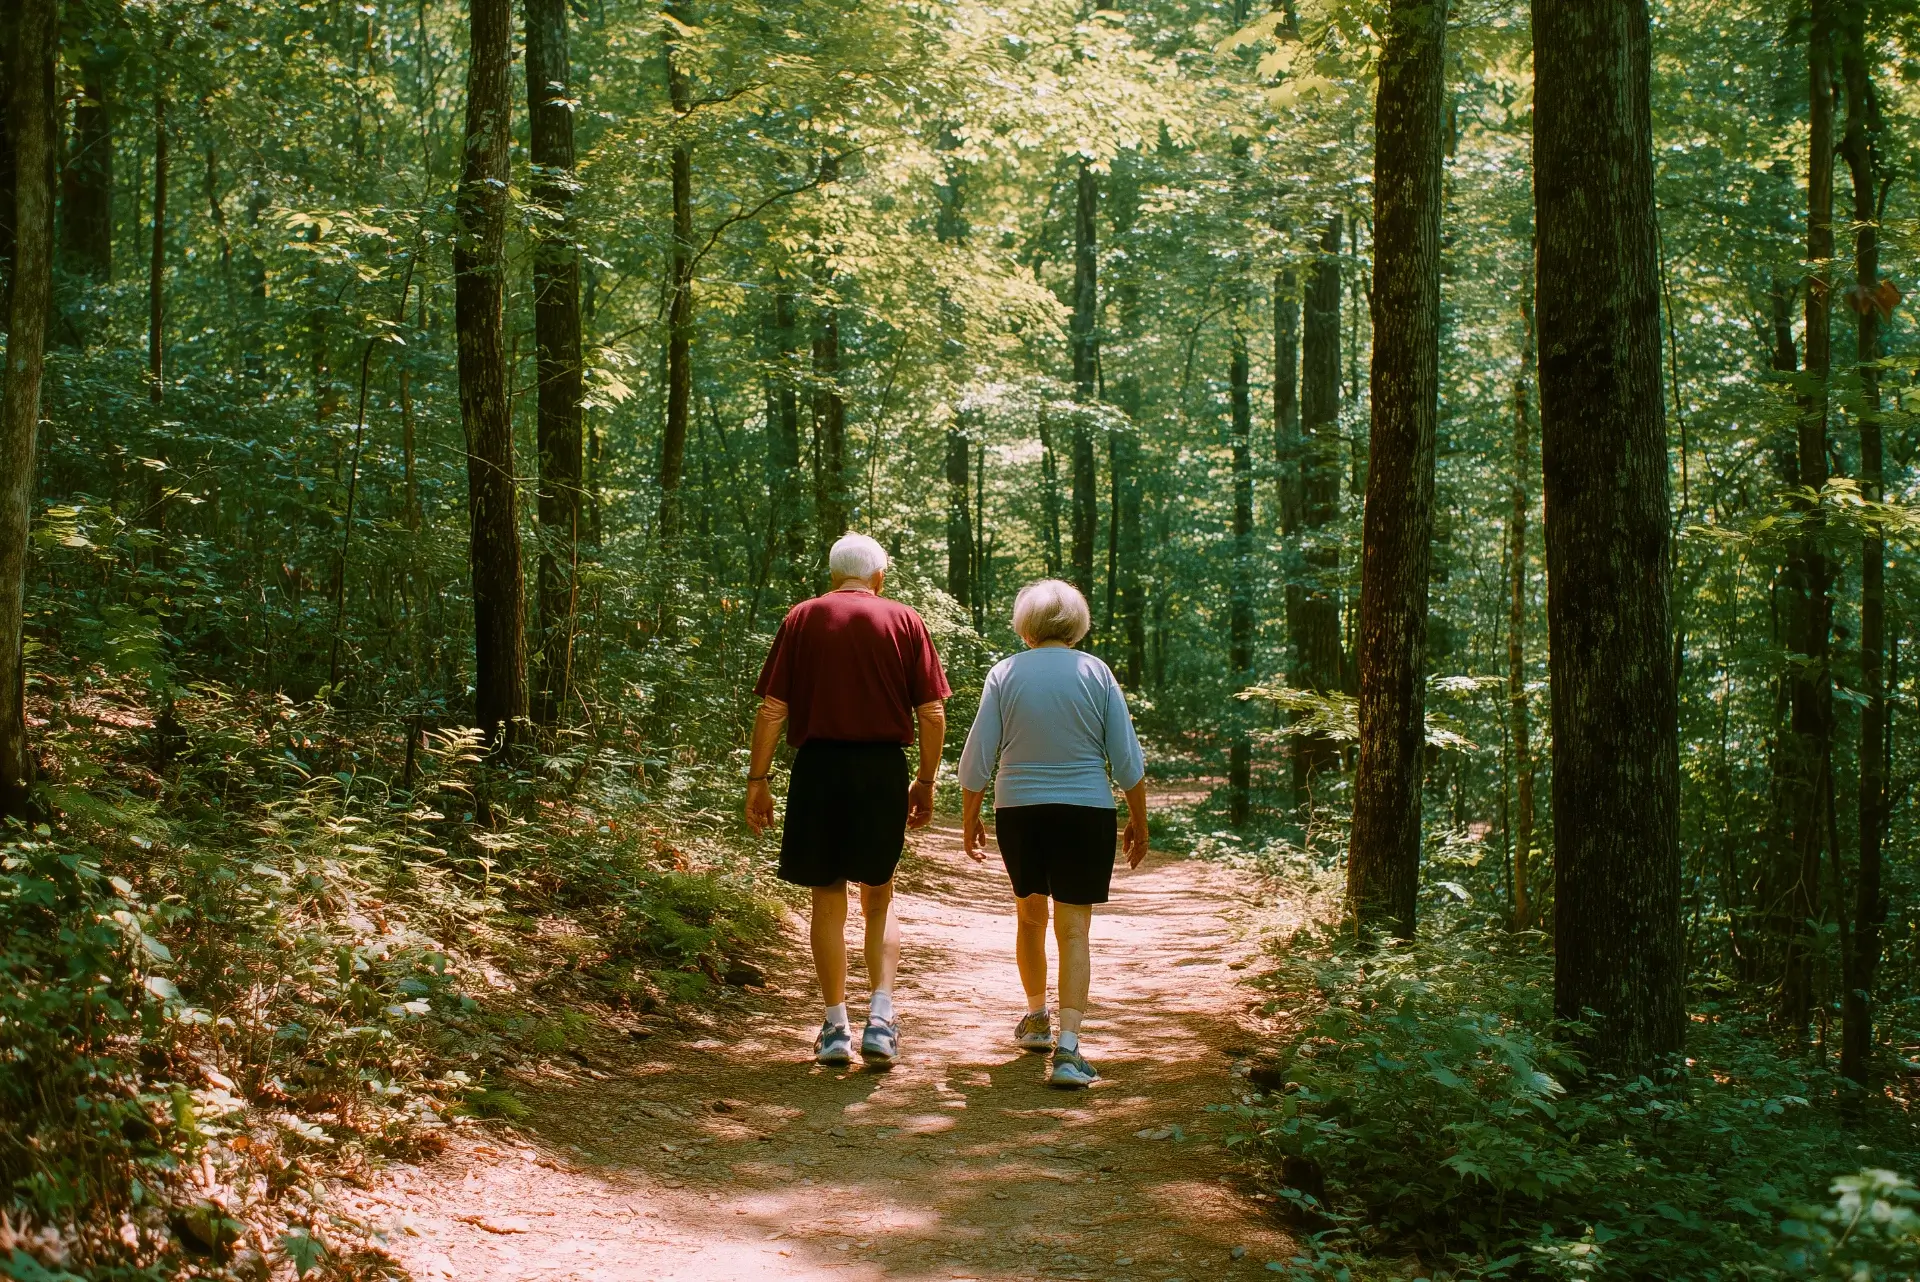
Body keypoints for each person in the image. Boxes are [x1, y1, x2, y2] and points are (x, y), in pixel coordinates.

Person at [744, 533, 950, 1068]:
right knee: (878, 896)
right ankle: (881, 1021)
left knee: (827, 897)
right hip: (881, 768)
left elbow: (772, 709)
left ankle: (836, 1028)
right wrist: (925, 782)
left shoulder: (802, 618)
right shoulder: (905, 620)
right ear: (879, 577)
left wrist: (758, 780)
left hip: (819, 770)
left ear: (833, 575)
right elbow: (932, 713)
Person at [957, 579, 1148, 1089]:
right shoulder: (1096, 672)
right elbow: (1126, 758)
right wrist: (1139, 820)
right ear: (1077, 622)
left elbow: (979, 756)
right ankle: (1068, 1048)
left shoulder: (1005, 672)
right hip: (1086, 810)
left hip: (1020, 809)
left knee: (1029, 916)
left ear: (1027, 624)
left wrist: (969, 814)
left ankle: (1037, 1017)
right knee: (1075, 930)